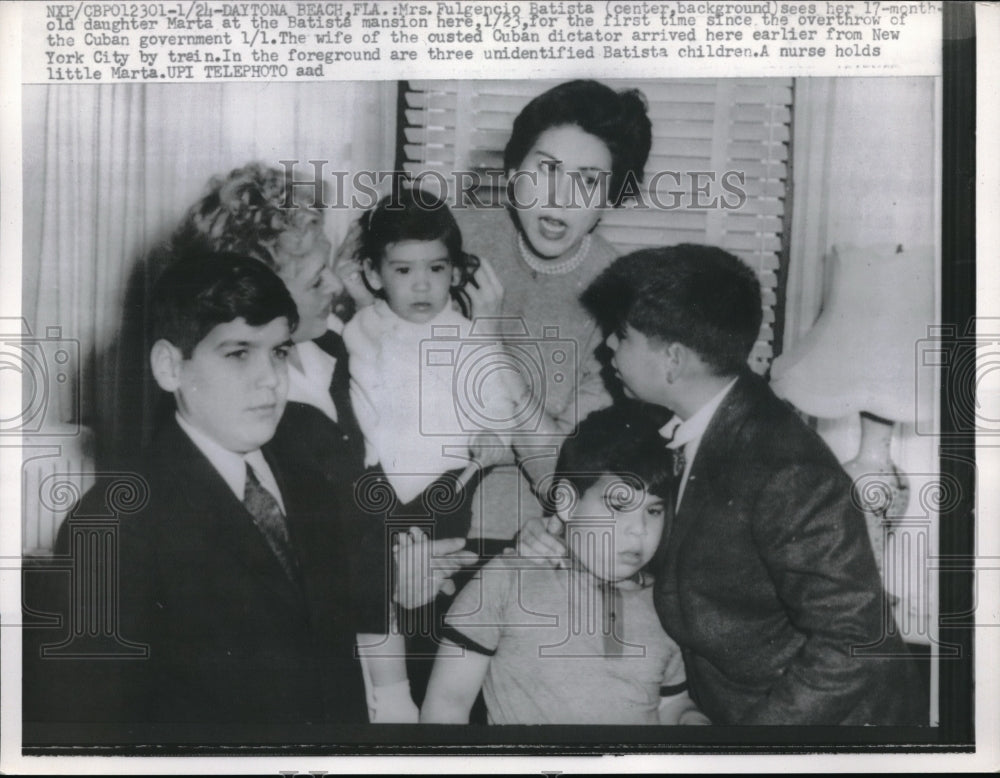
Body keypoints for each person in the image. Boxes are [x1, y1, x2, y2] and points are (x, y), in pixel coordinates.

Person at [563, 244, 924, 725]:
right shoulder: (687, 425)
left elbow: (854, 641)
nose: (608, 346)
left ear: (672, 360)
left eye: (623, 336)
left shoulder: (785, 469)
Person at [174, 165, 474, 721]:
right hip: (334, 664)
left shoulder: (339, 349)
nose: (335, 286)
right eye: (314, 281)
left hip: (410, 623)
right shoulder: (251, 417)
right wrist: (392, 584)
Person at [22, 251, 366, 730]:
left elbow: (340, 673)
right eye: (238, 353)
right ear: (170, 367)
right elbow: (91, 725)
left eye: (279, 351)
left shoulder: (311, 480)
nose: (270, 378)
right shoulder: (113, 524)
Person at [451, 79, 653, 543]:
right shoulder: (449, 237)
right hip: (406, 521)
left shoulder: (620, 297)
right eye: (546, 170)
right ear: (514, 169)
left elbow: (563, 477)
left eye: (587, 181)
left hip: (526, 542)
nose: (560, 198)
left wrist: (487, 342)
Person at [419, 404, 708, 725]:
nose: (639, 529)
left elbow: (671, 704)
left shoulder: (664, 600)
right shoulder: (507, 580)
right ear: (568, 503)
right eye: (619, 504)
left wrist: (692, 720)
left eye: (653, 511)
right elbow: (447, 704)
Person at [345, 189, 515, 707]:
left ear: (456, 273)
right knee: (374, 596)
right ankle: (387, 699)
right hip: (377, 489)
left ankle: (428, 706)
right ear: (374, 274)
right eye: (402, 271)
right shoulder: (360, 329)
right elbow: (352, 405)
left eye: (437, 269)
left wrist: (494, 437)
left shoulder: (467, 336)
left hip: (446, 487)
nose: (422, 284)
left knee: (432, 607)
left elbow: (499, 407)